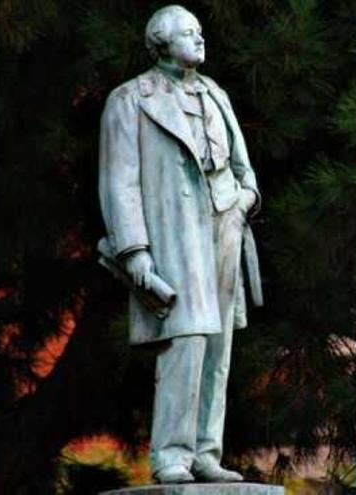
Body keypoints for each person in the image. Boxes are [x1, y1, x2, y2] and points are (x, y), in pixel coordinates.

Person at [97, 4, 262, 484]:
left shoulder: (215, 93)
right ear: (161, 41)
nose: (200, 39)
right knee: (186, 338)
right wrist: (135, 254)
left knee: (218, 344)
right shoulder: (130, 100)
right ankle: (171, 452)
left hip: (224, 225)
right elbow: (119, 183)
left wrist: (242, 202)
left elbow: (242, 168)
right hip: (174, 233)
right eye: (190, 33)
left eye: (201, 31)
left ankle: (207, 453)